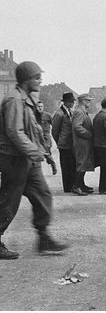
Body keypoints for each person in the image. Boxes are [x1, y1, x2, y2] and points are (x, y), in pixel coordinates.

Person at [0, 61, 68, 259]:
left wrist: (44, 153)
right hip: (13, 159)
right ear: (26, 80)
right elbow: (15, 132)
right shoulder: (14, 100)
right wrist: (33, 152)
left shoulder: (27, 100)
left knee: (43, 195)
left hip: (27, 159)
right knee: (8, 201)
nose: (40, 81)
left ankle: (44, 237)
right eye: (37, 77)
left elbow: (33, 130)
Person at [51, 92, 76, 192]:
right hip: (64, 145)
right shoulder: (59, 114)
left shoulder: (69, 112)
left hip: (70, 144)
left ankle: (71, 185)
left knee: (71, 165)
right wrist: (60, 141)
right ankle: (67, 187)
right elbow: (55, 131)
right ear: (66, 102)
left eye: (73, 101)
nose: (73, 103)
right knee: (66, 166)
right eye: (71, 101)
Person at [71, 93, 95, 195]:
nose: (90, 102)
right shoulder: (79, 112)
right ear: (83, 101)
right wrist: (88, 134)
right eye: (88, 100)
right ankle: (76, 186)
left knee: (84, 164)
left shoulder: (82, 112)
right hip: (81, 143)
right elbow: (77, 127)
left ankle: (81, 184)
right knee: (81, 164)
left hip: (84, 143)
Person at [37, 100, 57, 175]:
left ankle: (53, 164)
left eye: (41, 106)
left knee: (47, 153)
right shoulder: (34, 116)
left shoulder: (47, 115)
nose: (40, 108)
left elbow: (54, 126)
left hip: (46, 138)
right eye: (38, 107)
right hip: (37, 138)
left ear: (43, 107)